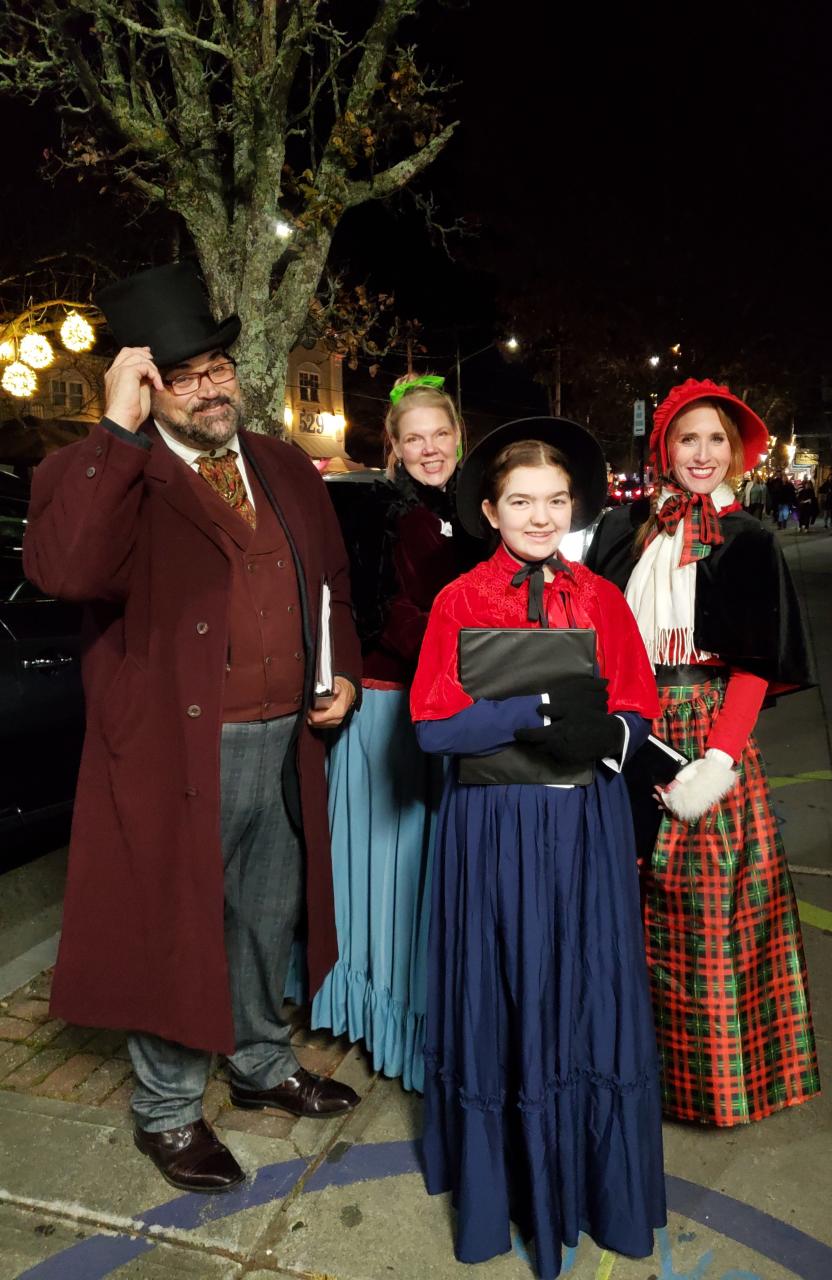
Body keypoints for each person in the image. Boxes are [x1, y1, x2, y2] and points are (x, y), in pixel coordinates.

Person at [23, 262, 362, 1194]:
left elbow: (329, 584)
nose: (211, 385)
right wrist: (114, 431)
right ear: (142, 384)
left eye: (218, 365)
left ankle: (259, 1067)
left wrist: (346, 673)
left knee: (264, 918)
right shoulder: (101, 472)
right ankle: (169, 1114)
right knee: (175, 930)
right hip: (177, 753)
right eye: (183, 372)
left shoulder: (287, 464)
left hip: (286, 739)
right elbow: (66, 571)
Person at [410, 418, 666, 1280]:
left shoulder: (600, 598)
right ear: (490, 508)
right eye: (521, 501)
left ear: (575, 507)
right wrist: (532, 714)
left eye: (555, 501)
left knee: (580, 983)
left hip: (580, 824)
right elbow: (432, 728)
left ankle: (588, 1185)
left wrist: (611, 729)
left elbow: (636, 712)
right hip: (492, 828)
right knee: (502, 986)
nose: (540, 515)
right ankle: (506, 1187)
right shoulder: (458, 603)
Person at [585, 378, 819, 1127]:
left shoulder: (749, 541)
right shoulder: (628, 529)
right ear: (664, 449)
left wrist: (717, 761)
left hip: (705, 727)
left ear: (737, 452)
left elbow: (754, 663)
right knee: (626, 904)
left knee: (708, 912)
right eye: (689, 438)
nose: (703, 453)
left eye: (717, 439)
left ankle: (712, 1087)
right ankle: (627, 1072)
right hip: (629, 719)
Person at [302, 373, 482, 1091]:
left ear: (459, 437)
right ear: (395, 448)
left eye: (441, 435)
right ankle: (387, 1021)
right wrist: (465, 655)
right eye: (415, 438)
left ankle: (429, 1006)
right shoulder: (377, 509)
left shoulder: (478, 507)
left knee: (432, 870)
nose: (430, 448)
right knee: (390, 867)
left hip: (455, 710)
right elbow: (377, 611)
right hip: (391, 708)